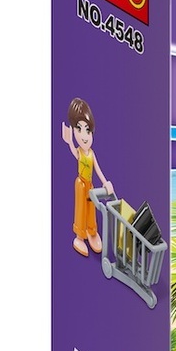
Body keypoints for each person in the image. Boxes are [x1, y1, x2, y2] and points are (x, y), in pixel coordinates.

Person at [60, 98, 111, 258]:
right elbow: (74, 153)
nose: (84, 136)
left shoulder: (91, 154)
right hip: (80, 184)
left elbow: (98, 170)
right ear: (74, 130)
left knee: (91, 208)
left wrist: (105, 183)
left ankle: (92, 230)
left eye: (87, 130)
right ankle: (79, 236)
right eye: (79, 129)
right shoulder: (80, 152)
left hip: (90, 185)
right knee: (81, 209)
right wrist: (69, 142)